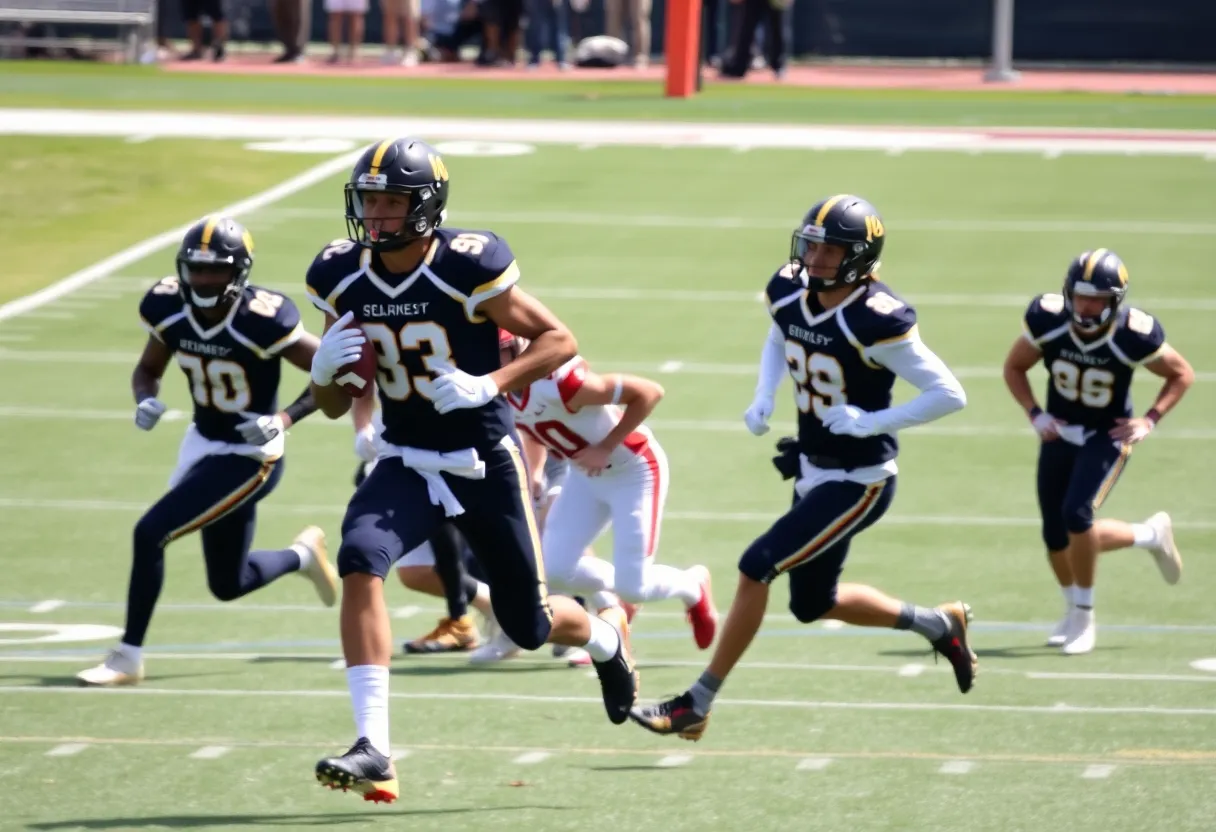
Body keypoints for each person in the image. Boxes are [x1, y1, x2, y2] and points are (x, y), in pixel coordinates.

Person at [305, 137, 638, 803]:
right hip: (404, 455)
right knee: (360, 557)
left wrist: (492, 383)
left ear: (425, 206)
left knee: (528, 623)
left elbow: (558, 340)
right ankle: (375, 746)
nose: (376, 216)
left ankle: (604, 636)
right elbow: (338, 396)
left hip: (482, 459)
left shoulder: (468, 264)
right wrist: (322, 378)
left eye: (392, 202)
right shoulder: (340, 273)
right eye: (369, 201)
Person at [629, 194, 975, 742]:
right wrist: (765, 392)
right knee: (815, 604)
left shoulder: (876, 317)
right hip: (813, 466)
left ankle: (697, 702)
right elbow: (781, 333)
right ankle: (939, 623)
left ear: (860, 256)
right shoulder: (791, 287)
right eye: (812, 245)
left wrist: (870, 421)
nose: (814, 259)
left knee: (756, 565)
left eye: (830, 250)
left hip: (861, 479)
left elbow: (948, 394)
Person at [77, 216, 337, 687]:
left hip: (250, 457)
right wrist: (145, 398)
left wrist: (283, 419)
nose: (203, 280)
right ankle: (302, 555)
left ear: (238, 272)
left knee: (150, 531)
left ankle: (126, 657)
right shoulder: (166, 306)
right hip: (201, 443)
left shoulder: (263, 317)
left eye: (215, 270)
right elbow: (148, 369)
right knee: (228, 583)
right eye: (195, 269)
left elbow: (334, 371)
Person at [1001, 248, 1191, 655]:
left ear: (1115, 301)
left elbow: (1181, 373)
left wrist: (1149, 419)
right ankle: (1137, 546)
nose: (1086, 307)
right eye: (1081, 296)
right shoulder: (1048, 320)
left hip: (1107, 435)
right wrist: (1035, 413)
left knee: (1076, 516)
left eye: (1097, 300)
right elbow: (1014, 366)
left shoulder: (1133, 334)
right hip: (1061, 432)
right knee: (1054, 531)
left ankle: (1085, 616)